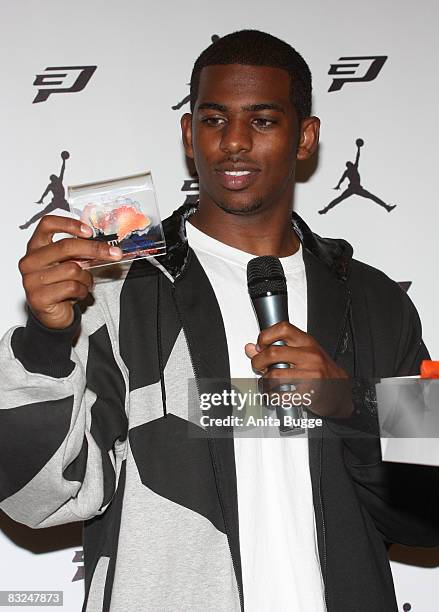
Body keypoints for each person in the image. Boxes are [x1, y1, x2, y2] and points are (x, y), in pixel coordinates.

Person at [0, 30, 438, 612]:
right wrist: (46, 341)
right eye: (213, 120)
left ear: (305, 138)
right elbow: (36, 497)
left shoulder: (379, 301)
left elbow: (429, 509)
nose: (233, 142)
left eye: (262, 121)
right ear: (189, 134)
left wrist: (349, 405)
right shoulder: (114, 287)